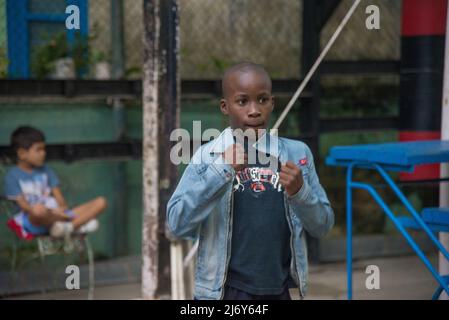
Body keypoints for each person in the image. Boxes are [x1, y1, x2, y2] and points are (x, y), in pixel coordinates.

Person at [167, 62, 334, 300]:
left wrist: (300, 193)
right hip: (222, 292)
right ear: (225, 107)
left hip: (279, 289)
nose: (254, 110)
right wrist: (221, 171)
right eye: (243, 101)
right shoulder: (208, 156)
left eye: (263, 100)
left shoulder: (298, 154)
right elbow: (176, 224)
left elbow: (323, 225)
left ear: (272, 103)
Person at [4, 126, 107, 239]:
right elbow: (24, 206)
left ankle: (69, 227)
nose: (43, 153)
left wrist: (61, 209)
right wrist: (52, 212)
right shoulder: (12, 176)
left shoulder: (46, 170)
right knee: (38, 211)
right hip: (35, 220)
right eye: (38, 150)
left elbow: (60, 200)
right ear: (22, 153)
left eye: (44, 149)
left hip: (59, 216)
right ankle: (78, 224)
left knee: (101, 202)